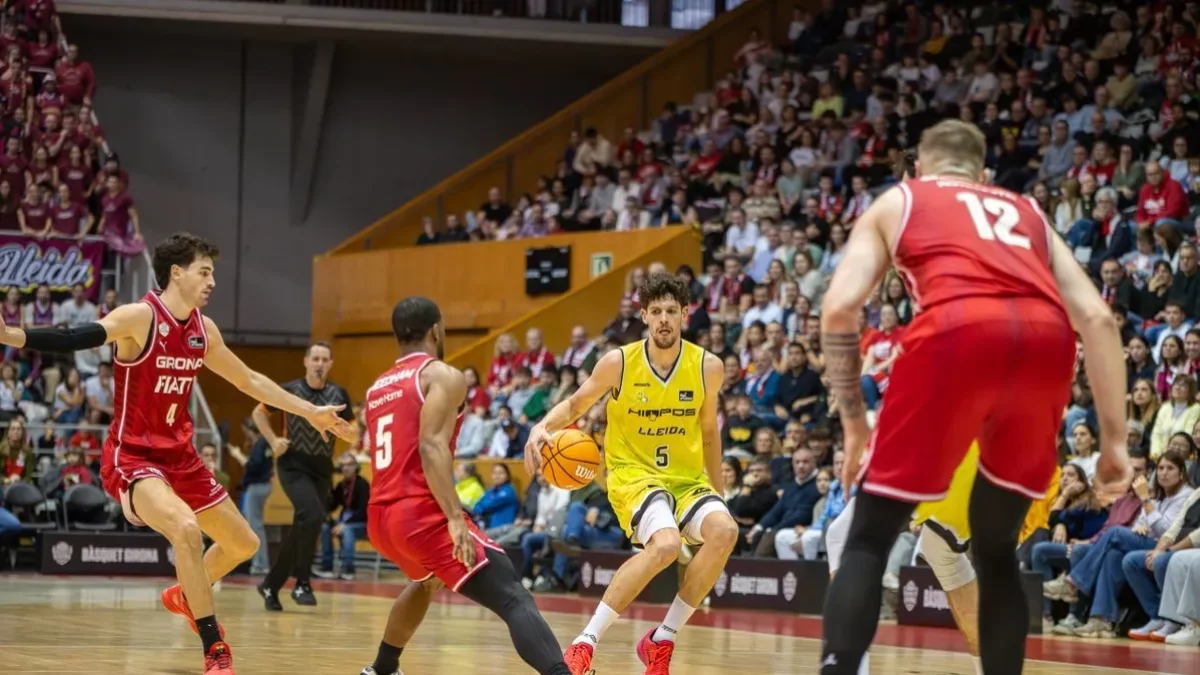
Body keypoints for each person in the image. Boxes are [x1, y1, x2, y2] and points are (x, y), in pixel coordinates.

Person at [817, 120, 1132, 675]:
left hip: (956, 332)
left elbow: (840, 308)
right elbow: (1098, 319)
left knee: (867, 536)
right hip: (1045, 342)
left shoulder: (904, 198)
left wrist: (852, 424)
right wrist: (1114, 444)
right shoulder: (1027, 210)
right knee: (995, 549)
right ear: (983, 175)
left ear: (919, 167)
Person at [0, 232, 356, 675]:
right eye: (204, 272)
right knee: (186, 530)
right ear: (176, 273)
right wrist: (13, 335)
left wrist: (311, 413)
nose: (211, 282)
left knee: (244, 542)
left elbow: (249, 381)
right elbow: (77, 336)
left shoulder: (203, 330)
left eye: (212, 273)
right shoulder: (139, 317)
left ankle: (186, 594)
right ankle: (213, 647)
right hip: (133, 457)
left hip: (181, 456)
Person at [525, 272, 738, 675]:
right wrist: (543, 427)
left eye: (671, 311)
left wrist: (719, 493)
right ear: (643, 315)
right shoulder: (618, 362)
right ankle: (585, 642)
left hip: (688, 479)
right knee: (665, 545)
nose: (663, 319)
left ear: (685, 315)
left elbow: (709, 431)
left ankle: (662, 639)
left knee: (725, 532)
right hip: (634, 476)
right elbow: (575, 404)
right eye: (655, 311)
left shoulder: (707, 366)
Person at [358, 296, 573, 675]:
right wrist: (455, 518)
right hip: (420, 514)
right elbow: (430, 445)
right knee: (512, 593)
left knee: (426, 583)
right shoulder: (441, 375)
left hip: (381, 517)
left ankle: (382, 668)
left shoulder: (377, 387)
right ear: (436, 330)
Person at [253, 342, 356, 610]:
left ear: (331, 363)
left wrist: (351, 432)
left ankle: (271, 586)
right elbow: (258, 413)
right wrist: (274, 439)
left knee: (305, 523)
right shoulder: (289, 390)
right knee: (311, 516)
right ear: (306, 361)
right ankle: (302, 583)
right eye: (316, 358)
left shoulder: (338, 394)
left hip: (322, 467)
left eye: (325, 359)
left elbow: (353, 432)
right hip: (292, 463)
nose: (320, 363)